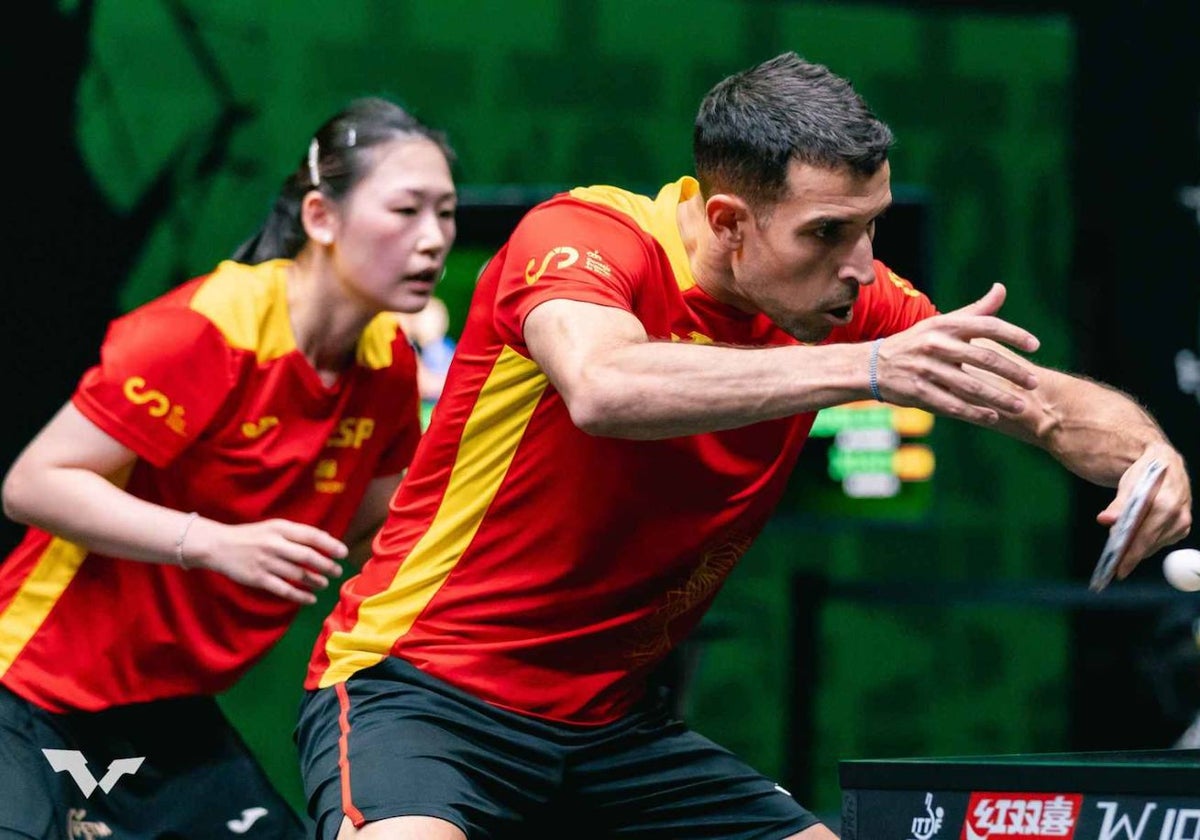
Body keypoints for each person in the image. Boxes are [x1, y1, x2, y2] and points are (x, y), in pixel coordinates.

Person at [295, 53, 1193, 840]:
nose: (863, 264)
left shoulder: (849, 303)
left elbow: (1041, 401)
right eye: (827, 234)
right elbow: (606, 386)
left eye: (870, 224)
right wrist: (862, 369)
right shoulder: (588, 240)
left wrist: (1150, 457)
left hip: (611, 727)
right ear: (728, 222)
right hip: (420, 692)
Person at [0, 96, 457, 839]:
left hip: (168, 713)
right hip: (33, 686)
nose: (434, 239)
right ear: (321, 218)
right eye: (406, 210)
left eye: (446, 212)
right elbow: (33, 483)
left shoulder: (388, 368)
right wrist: (212, 541)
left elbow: (384, 535)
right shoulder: (208, 330)